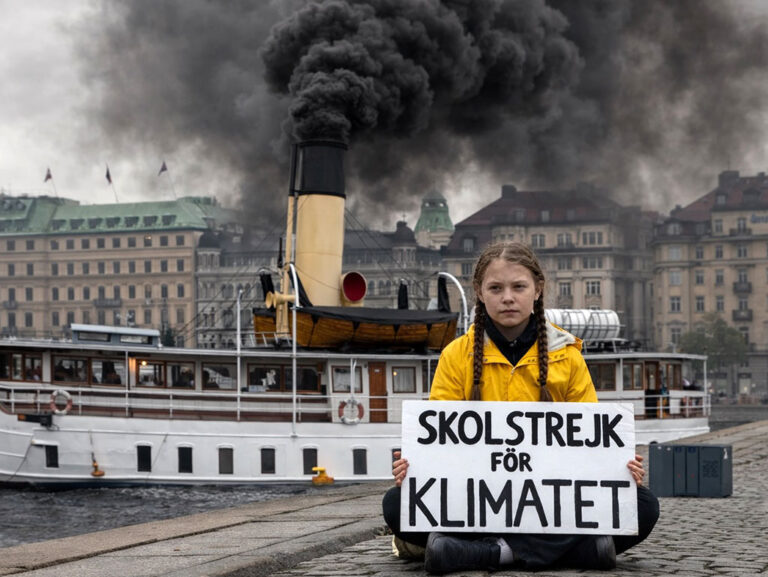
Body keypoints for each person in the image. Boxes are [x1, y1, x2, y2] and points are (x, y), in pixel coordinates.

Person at [382, 242, 658, 574]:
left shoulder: (568, 356)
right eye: (496, 288)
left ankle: (491, 553)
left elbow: (590, 440)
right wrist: (415, 466)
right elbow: (440, 440)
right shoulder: (456, 355)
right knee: (396, 504)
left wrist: (618, 467)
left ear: (538, 290)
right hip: (480, 499)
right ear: (479, 292)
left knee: (643, 506)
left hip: (548, 500)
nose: (508, 297)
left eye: (518, 287)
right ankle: (575, 551)